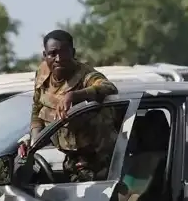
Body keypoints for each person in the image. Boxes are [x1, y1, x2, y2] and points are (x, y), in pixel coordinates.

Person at [20, 29, 119, 180]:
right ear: (45, 55)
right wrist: (33, 143)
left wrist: (74, 95)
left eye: (64, 52)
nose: (58, 58)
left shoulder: (84, 74)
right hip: (71, 158)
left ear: (73, 52)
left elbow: (109, 87)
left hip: (100, 158)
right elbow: (37, 109)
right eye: (53, 53)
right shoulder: (42, 73)